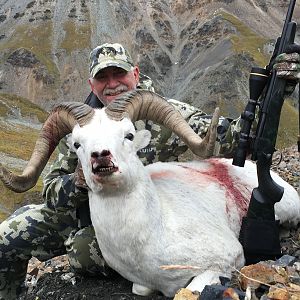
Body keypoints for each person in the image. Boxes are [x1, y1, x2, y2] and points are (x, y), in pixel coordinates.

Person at [0, 42, 299, 300]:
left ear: (136, 74)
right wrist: (78, 178)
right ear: (92, 85)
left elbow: (228, 138)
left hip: (153, 204)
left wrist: (274, 93)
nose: (112, 82)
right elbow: (49, 187)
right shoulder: (80, 129)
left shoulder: (162, 110)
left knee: (94, 252)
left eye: (119, 73)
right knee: (28, 241)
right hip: (87, 212)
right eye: (102, 77)